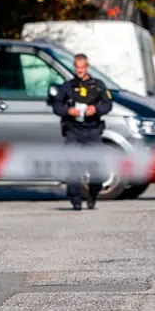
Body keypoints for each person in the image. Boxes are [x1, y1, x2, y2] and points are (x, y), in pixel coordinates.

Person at [48, 53, 113, 211]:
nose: (79, 71)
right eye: (77, 68)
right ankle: (76, 201)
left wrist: (96, 109)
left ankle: (93, 192)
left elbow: (108, 104)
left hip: (92, 130)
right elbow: (57, 106)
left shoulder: (98, 85)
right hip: (74, 131)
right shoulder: (67, 87)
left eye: (82, 68)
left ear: (87, 67)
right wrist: (68, 111)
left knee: (98, 168)